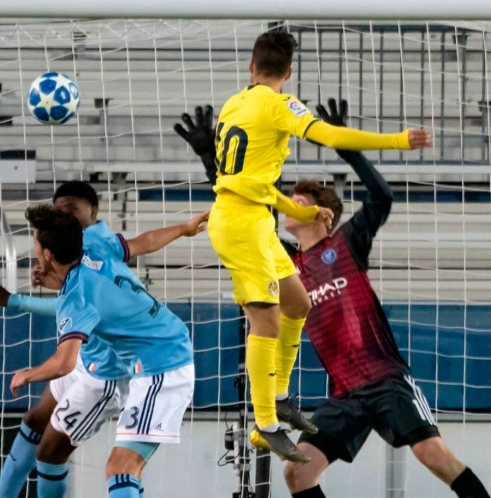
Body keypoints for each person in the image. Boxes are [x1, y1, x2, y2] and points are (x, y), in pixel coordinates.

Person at [178, 98, 489, 498]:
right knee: (298, 473)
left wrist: (346, 148)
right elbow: (240, 205)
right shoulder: (285, 262)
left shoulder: (347, 243)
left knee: (433, 456)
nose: (291, 206)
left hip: (386, 380)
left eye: (301, 202)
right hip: (344, 393)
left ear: (323, 213)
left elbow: (381, 197)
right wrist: (210, 156)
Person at [175, 30, 432, 461]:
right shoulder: (279, 105)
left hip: (253, 217)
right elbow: (329, 136)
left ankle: (276, 398)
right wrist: (397, 141)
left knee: (297, 304)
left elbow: (242, 183)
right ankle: (264, 425)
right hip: (241, 227)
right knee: (266, 324)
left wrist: (310, 214)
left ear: (251, 66)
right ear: (289, 72)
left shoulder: (234, 105)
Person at [0, 181, 207, 498]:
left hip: (143, 366)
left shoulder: (77, 292)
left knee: (110, 465)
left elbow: (64, 360)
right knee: (39, 424)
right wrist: (184, 228)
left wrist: (28, 374)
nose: (63, 214)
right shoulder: (94, 247)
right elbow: (143, 243)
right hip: (138, 354)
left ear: (47, 253)